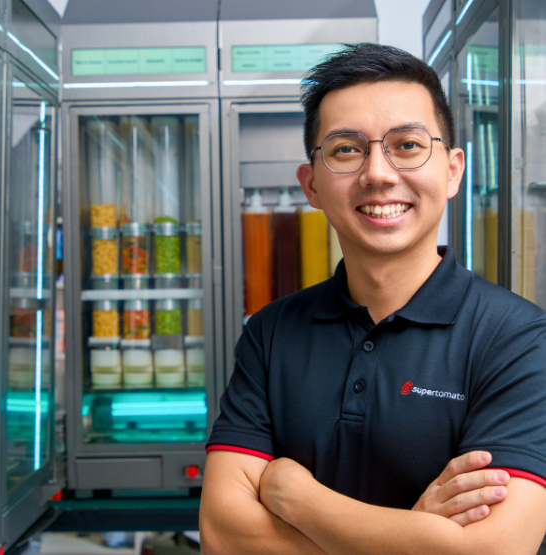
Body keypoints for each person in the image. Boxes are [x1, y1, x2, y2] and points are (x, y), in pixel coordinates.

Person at [200, 43, 546, 554]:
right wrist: (416, 533)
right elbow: (224, 535)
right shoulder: (270, 334)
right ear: (311, 184)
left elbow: (494, 549)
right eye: (346, 149)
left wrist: (296, 497)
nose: (378, 174)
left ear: (452, 171)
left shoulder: (518, 339)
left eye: (407, 145)